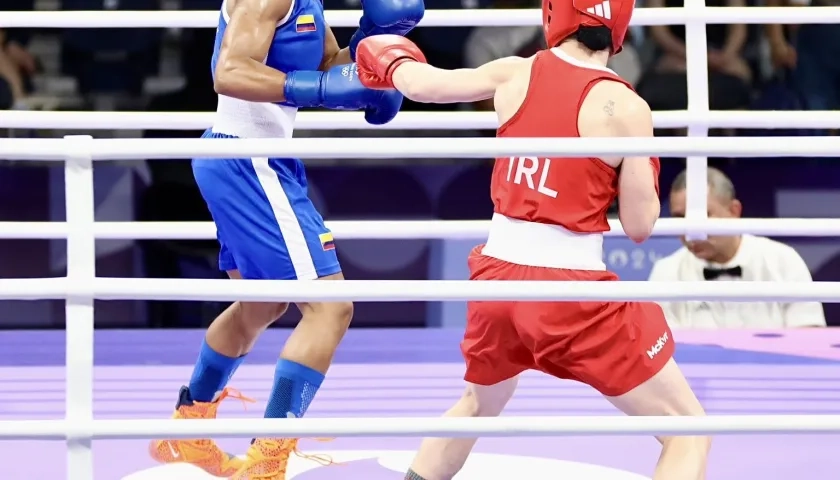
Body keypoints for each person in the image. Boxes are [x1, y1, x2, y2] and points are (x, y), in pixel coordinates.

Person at [354, 1, 710, 478]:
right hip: (569, 294)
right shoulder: (626, 107)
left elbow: (424, 85)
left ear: (554, 15)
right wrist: (640, 164)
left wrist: (384, 55)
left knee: (477, 406)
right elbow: (641, 227)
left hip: (496, 283)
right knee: (688, 428)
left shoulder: (514, 73)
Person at [147, 0, 423, 476]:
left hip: (250, 157)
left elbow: (328, 65)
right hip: (250, 158)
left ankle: (189, 429)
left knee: (261, 305)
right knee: (330, 308)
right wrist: (315, 89)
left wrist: (372, 42)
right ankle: (267, 460)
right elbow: (229, 71)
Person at [649, 168, 826, 329]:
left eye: (703, 215)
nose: (691, 232)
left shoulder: (783, 261)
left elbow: (810, 339)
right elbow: (660, 353)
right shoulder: (666, 273)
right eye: (680, 218)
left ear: (734, 211)